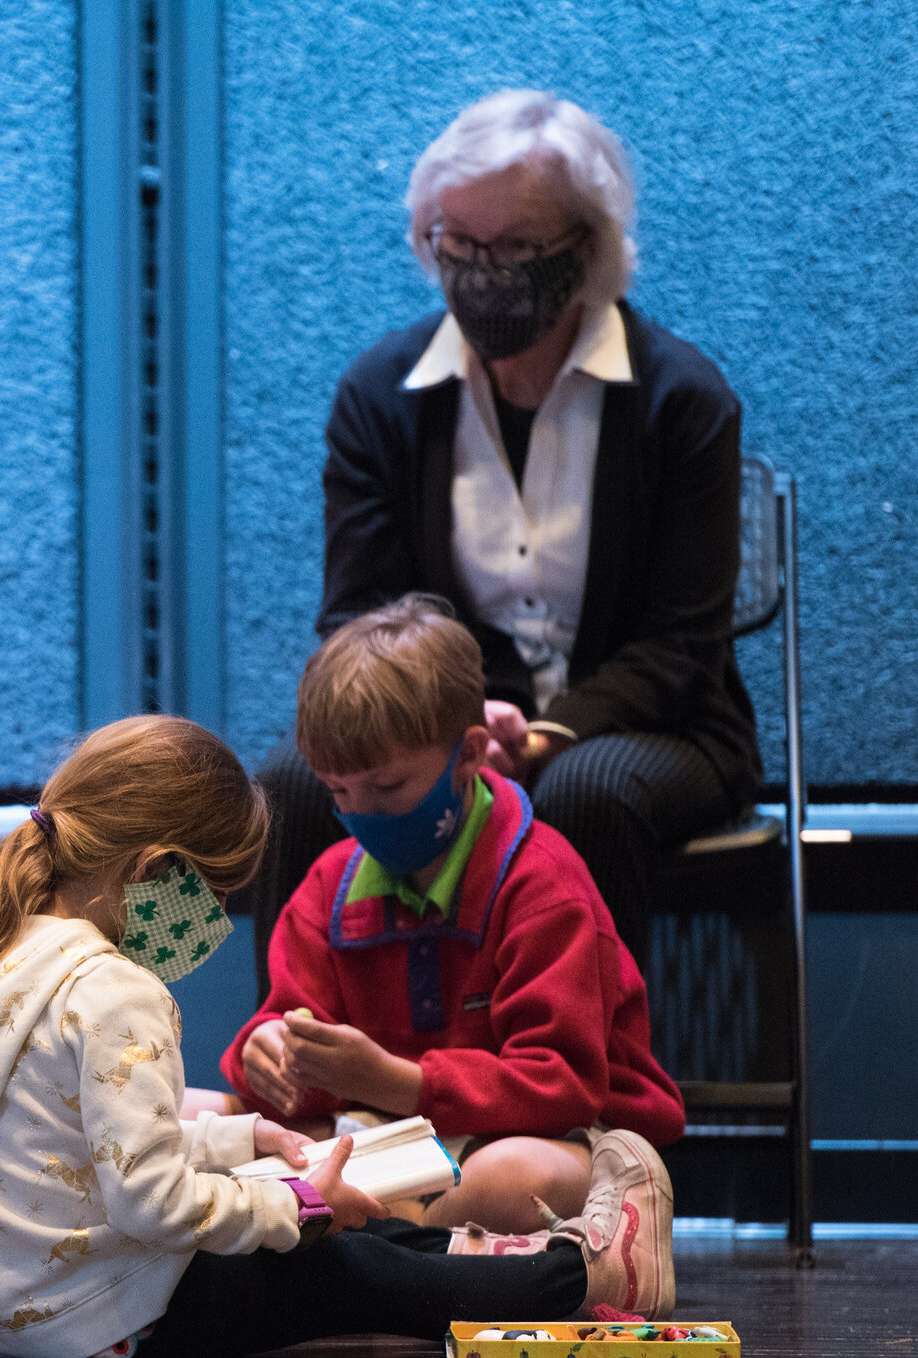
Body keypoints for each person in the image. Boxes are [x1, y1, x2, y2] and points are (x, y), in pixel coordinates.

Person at [0, 714, 674, 1358]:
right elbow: (149, 1200)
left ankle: (512, 1256)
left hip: (27, 1321)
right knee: (346, 1265)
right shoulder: (116, 990)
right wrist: (298, 1202)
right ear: (158, 870)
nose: (219, 920)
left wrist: (241, 1138)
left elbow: (78, 1140)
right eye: (217, 892)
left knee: (373, 1232)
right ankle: (585, 1272)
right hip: (119, 1316)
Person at [258, 90, 760, 982]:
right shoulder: (378, 396)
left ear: (587, 250)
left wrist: (550, 731)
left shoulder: (685, 402)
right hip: (441, 723)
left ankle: (580, 1092)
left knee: (584, 794)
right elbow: (357, 620)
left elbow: (682, 646)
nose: (484, 272)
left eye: (518, 248)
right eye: (458, 244)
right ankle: (300, 1071)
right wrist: (457, 720)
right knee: (298, 781)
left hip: (655, 730)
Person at [222, 598, 684, 1247]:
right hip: (393, 1139)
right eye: (338, 792)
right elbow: (289, 1029)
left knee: (512, 1180)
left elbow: (563, 1083)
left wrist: (398, 1081)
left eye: (386, 788)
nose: (362, 814)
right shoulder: (330, 883)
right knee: (201, 1118)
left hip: (549, 1138)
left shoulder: (541, 883)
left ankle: (380, 1242)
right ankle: (410, 1244)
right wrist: (262, 1053)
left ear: (468, 755)